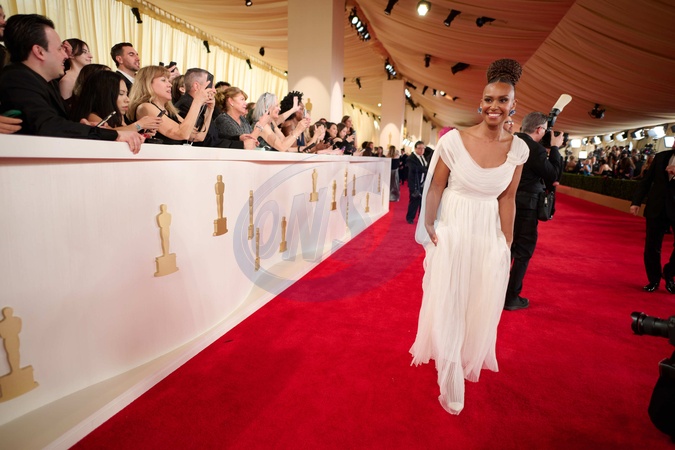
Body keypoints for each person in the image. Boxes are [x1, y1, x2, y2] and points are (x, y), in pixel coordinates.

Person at [410, 59, 529, 415]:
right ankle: (450, 375)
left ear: (513, 105)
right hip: (454, 226)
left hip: (488, 231)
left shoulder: (518, 150)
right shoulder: (454, 141)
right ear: (481, 102)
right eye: (489, 99)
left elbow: (508, 198)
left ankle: (461, 356)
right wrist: (429, 224)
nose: (495, 106)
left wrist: (506, 241)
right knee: (449, 295)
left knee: (478, 298)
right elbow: (436, 187)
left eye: (503, 100)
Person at [0, 14, 143, 153]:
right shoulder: (17, 77)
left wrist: (83, 127)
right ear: (39, 51)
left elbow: (58, 122)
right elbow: (47, 126)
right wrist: (113, 134)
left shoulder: (45, 82)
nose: (65, 55)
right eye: (59, 49)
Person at [504, 112, 563, 311]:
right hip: (526, 206)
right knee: (523, 251)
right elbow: (554, 175)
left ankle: (495, 292)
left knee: (504, 249)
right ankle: (511, 297)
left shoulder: (509, 141)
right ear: (539, 129)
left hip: (504, 203)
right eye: (545, 130)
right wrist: (555, 147)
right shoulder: (535, 149)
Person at [128, 65, 215, 145]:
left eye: (169, 81)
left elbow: (197, 137)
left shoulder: (169, 111)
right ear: (147, 84)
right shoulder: (145, 107)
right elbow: (182, 134)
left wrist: (209, 110)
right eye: (163, 80)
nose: (170, 85)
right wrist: (197, 101)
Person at [630, 143, 675, 293]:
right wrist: (636, 202)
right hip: (656, 207)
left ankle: (669, 272)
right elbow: (646, 181)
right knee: (652, 246)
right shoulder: (661, 156)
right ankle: (654, 280)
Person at [175, 70, 252, 149]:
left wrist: (238, 138)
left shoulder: (200, 105)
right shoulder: (185, 106)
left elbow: (213, 135)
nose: (214, 91)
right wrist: (241, 145)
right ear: (196, 86)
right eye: (211, 86)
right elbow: (204, 141)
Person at [405, 141, 428, 224]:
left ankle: (421, 217)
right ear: (415, 149)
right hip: (414, 183)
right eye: (419, 148)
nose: (421, 150)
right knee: (414, 201)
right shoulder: (411, 158)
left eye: (423, 148)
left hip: (422, 182)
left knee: (422, 201)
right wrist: (426, 169)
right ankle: (410, 217)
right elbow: (415, 168)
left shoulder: (423, 157)